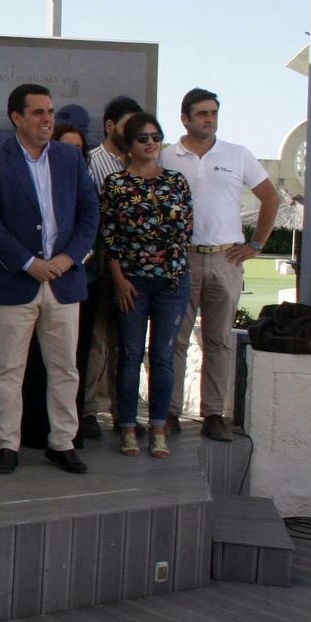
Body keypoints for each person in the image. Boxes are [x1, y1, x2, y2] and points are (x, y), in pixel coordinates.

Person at [0, 83, 99, 476]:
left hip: (63, 281)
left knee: (64, 369)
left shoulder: (69, 158)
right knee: (7, 368)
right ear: (17, 117)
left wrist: (68, 258)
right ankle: (7, 444)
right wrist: (28, 262)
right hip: (15, 280)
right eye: (39, 112)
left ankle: (62, 443)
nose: (48, 119)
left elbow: (89, 212)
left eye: (50, 112)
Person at [161, 87, 278, 442]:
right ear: (185, 119)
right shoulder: (167, 156)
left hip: (226, 258)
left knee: (218, 341)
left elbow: (270, 197)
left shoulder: (237, 154)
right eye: (202, 113)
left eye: (213, 113)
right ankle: (168, 413)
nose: (209, 119)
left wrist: (256, 245)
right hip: (181, 259)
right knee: (174, 340)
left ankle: (213, 414)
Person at [101, 113, 193, 459]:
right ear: (129, 145)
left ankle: (158, 428)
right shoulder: (116, 184)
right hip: (132, 281)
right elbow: (109, 235)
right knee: (130, 355)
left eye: (156, 137)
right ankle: (127, 427)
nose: (151, 143)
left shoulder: (176, 181)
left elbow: (187, 228)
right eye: (143, 138)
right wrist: (119, 279)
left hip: (172, 280)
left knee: (163, 356)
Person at [78, 95, 143, 443]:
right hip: (98, 265)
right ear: (109, 126)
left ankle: (124, 414)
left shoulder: (143, 164)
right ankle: (88, 411)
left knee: (126, 344)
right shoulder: (92, 163)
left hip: (133, 268)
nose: (135, 133)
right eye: (127, 125)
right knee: (94, 341)